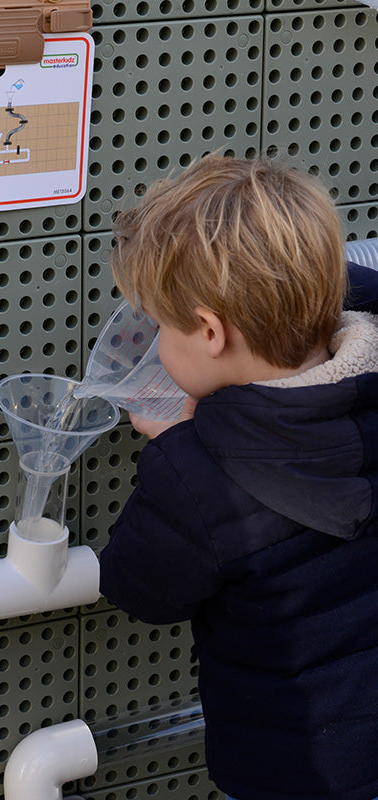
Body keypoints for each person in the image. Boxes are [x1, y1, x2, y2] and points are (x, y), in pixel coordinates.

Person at [98, 154, 378, 800]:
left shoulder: (199, 480)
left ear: (210, 332)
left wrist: (180, 449)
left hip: (295, 773)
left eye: (163, 324)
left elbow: (136, 589)